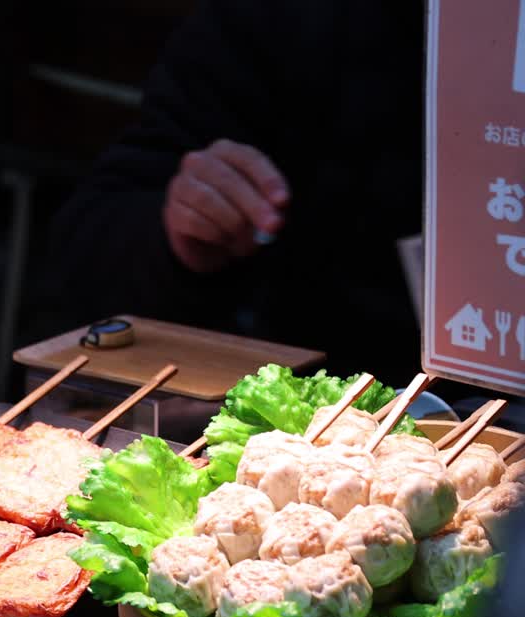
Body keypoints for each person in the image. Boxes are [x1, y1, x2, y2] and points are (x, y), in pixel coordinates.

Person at [50, 1, 426, 386]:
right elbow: (92, 241)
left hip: (449, 386)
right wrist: (180, 234)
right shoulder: (276, 22)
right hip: (296, 384)